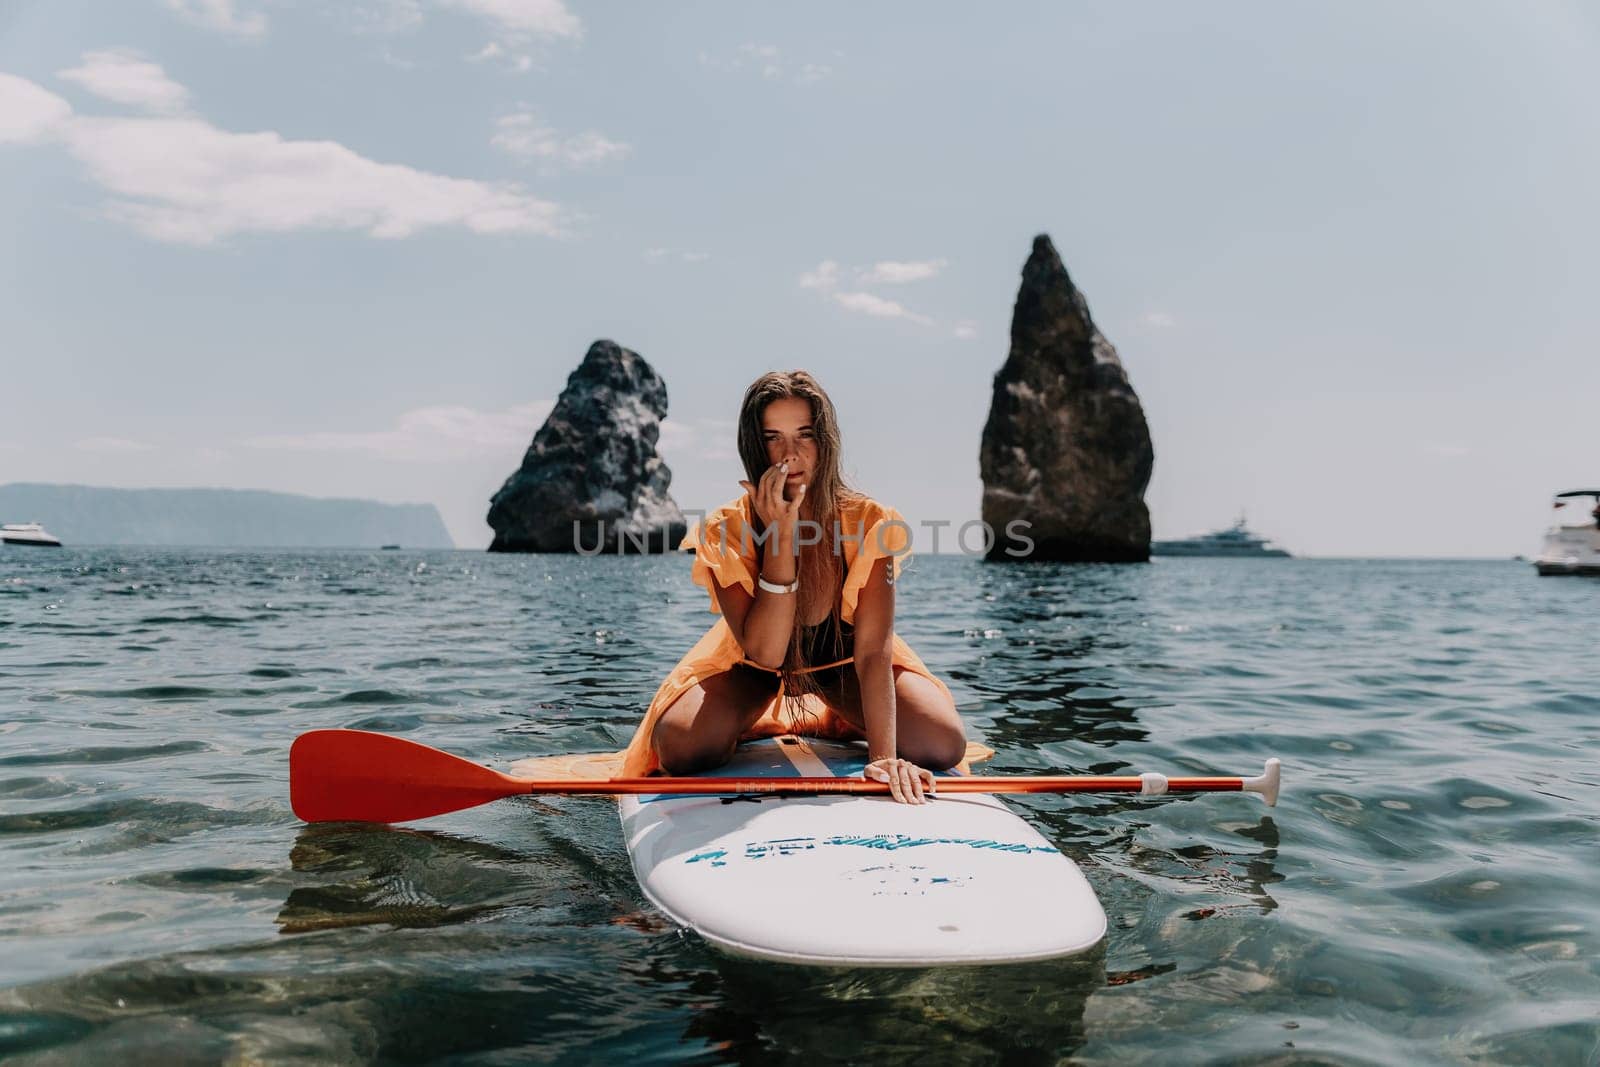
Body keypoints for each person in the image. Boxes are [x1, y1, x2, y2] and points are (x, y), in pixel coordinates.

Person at [620, 370, 966, 804]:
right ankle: (754, 717)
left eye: (804, 435)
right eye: (773, 438)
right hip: (754, 670)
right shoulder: (725, 528)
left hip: (845, 669)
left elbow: (874, 649)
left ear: (826, 441)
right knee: (682, 747)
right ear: (754, 446)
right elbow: (763, 652)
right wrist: (781, 534)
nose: (790, 455)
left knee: (942, 742)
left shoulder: (870, 520)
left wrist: (883, 759)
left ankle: (833, 716)